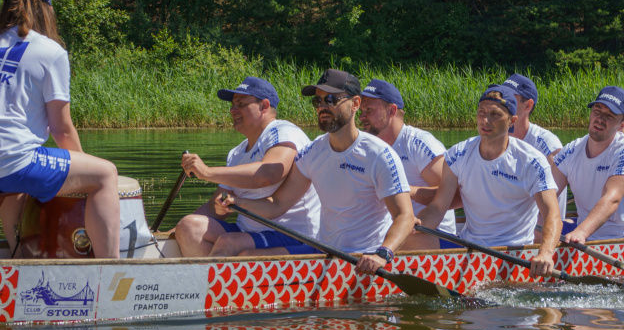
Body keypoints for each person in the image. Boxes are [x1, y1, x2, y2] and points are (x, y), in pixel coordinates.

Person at [215, 69, 415, 275]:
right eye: (317, 101)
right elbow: (277, 204)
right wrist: (237, 203)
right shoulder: (312, 152)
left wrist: (382, 254)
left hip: (364, 260)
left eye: (330, 99)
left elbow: (405, 216)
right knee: (247, 258)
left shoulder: (379, 154)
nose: (322, 107)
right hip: (324, 253)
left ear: (355, 103)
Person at [0, 0, 120, 258]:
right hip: (13, 160)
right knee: (105, 174)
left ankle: (16, 262)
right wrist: (85, 169)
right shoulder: (51, 52)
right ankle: (112, 269)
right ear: (47, 9)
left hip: (9, 167)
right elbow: (61, 130)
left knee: (17, 185)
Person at [402, 84, 560, 278]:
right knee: (408, 239)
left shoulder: (532, 161)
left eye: (495, 115)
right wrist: (414, 226)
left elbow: (552, 214)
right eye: (481, 112)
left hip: (514, 254)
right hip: (470, 248)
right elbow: (438, 207)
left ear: (512, 121)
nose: (485, 120)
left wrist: (546, 253)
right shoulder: (458, 154)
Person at [172, 77, 321, 257]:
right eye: (233, 105)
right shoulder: (236, 153)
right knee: (189, 227)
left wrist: (207, 172)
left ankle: (210, 275)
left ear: (264, 106)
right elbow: (214, 209)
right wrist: (171, 232)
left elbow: (269, 173)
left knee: (231, 242)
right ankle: (210, 273)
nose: (233, 110)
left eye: (241, 104)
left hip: (292, 236)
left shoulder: (284, 132)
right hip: (247, 233)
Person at [358, 78, 456, 235]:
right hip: (393, 231)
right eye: (361, 111)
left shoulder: (418, 143)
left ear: (391, 111)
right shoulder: (366, 147)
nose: (361, 117)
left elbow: (453, 193)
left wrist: (402, 191)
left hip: (431, 232)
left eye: (369, 110)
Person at [552, 87, 624, 242]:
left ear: (621, 125)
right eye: (597, 111)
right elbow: (546, 192)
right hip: (586, 234)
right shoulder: (571, 150)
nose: (600, 119)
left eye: (609, 116)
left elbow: (612, 199)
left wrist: (581, 232)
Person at [503, 73, 567, 216]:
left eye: (510, 98)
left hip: (540, 224)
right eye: (502, 96)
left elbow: (549, 196)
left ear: (528, 105)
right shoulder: (498, 138)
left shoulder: (549, 145)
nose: (504, 102)